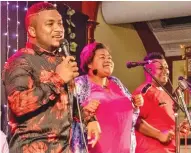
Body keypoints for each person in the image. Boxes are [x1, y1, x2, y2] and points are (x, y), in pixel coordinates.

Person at [2, 2, 100, 153]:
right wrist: (58, 78)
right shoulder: (20, 60)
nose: (58, 29)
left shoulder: (61, 62)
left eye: (60, 24)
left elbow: (69, 106)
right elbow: (18, 104)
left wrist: (89, 119)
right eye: (50, 24)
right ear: (32, 31)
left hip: (64, 148)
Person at [71, 42, 143, 153]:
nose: (108, 60)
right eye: (102, 57)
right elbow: (69, 113)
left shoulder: (116, 82)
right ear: (89, 63)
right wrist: (84, 110)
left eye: (110, 57)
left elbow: (131, 121)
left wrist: (135, 105)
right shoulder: (79, 84)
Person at [133, 52, 190, 153]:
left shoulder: (166, 94)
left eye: (166, 67)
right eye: (161, 68)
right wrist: (159, 134)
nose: (166, 71)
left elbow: (165, 126)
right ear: (149, 70)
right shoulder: (144, 91)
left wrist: (179, 128)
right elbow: (135, 120)